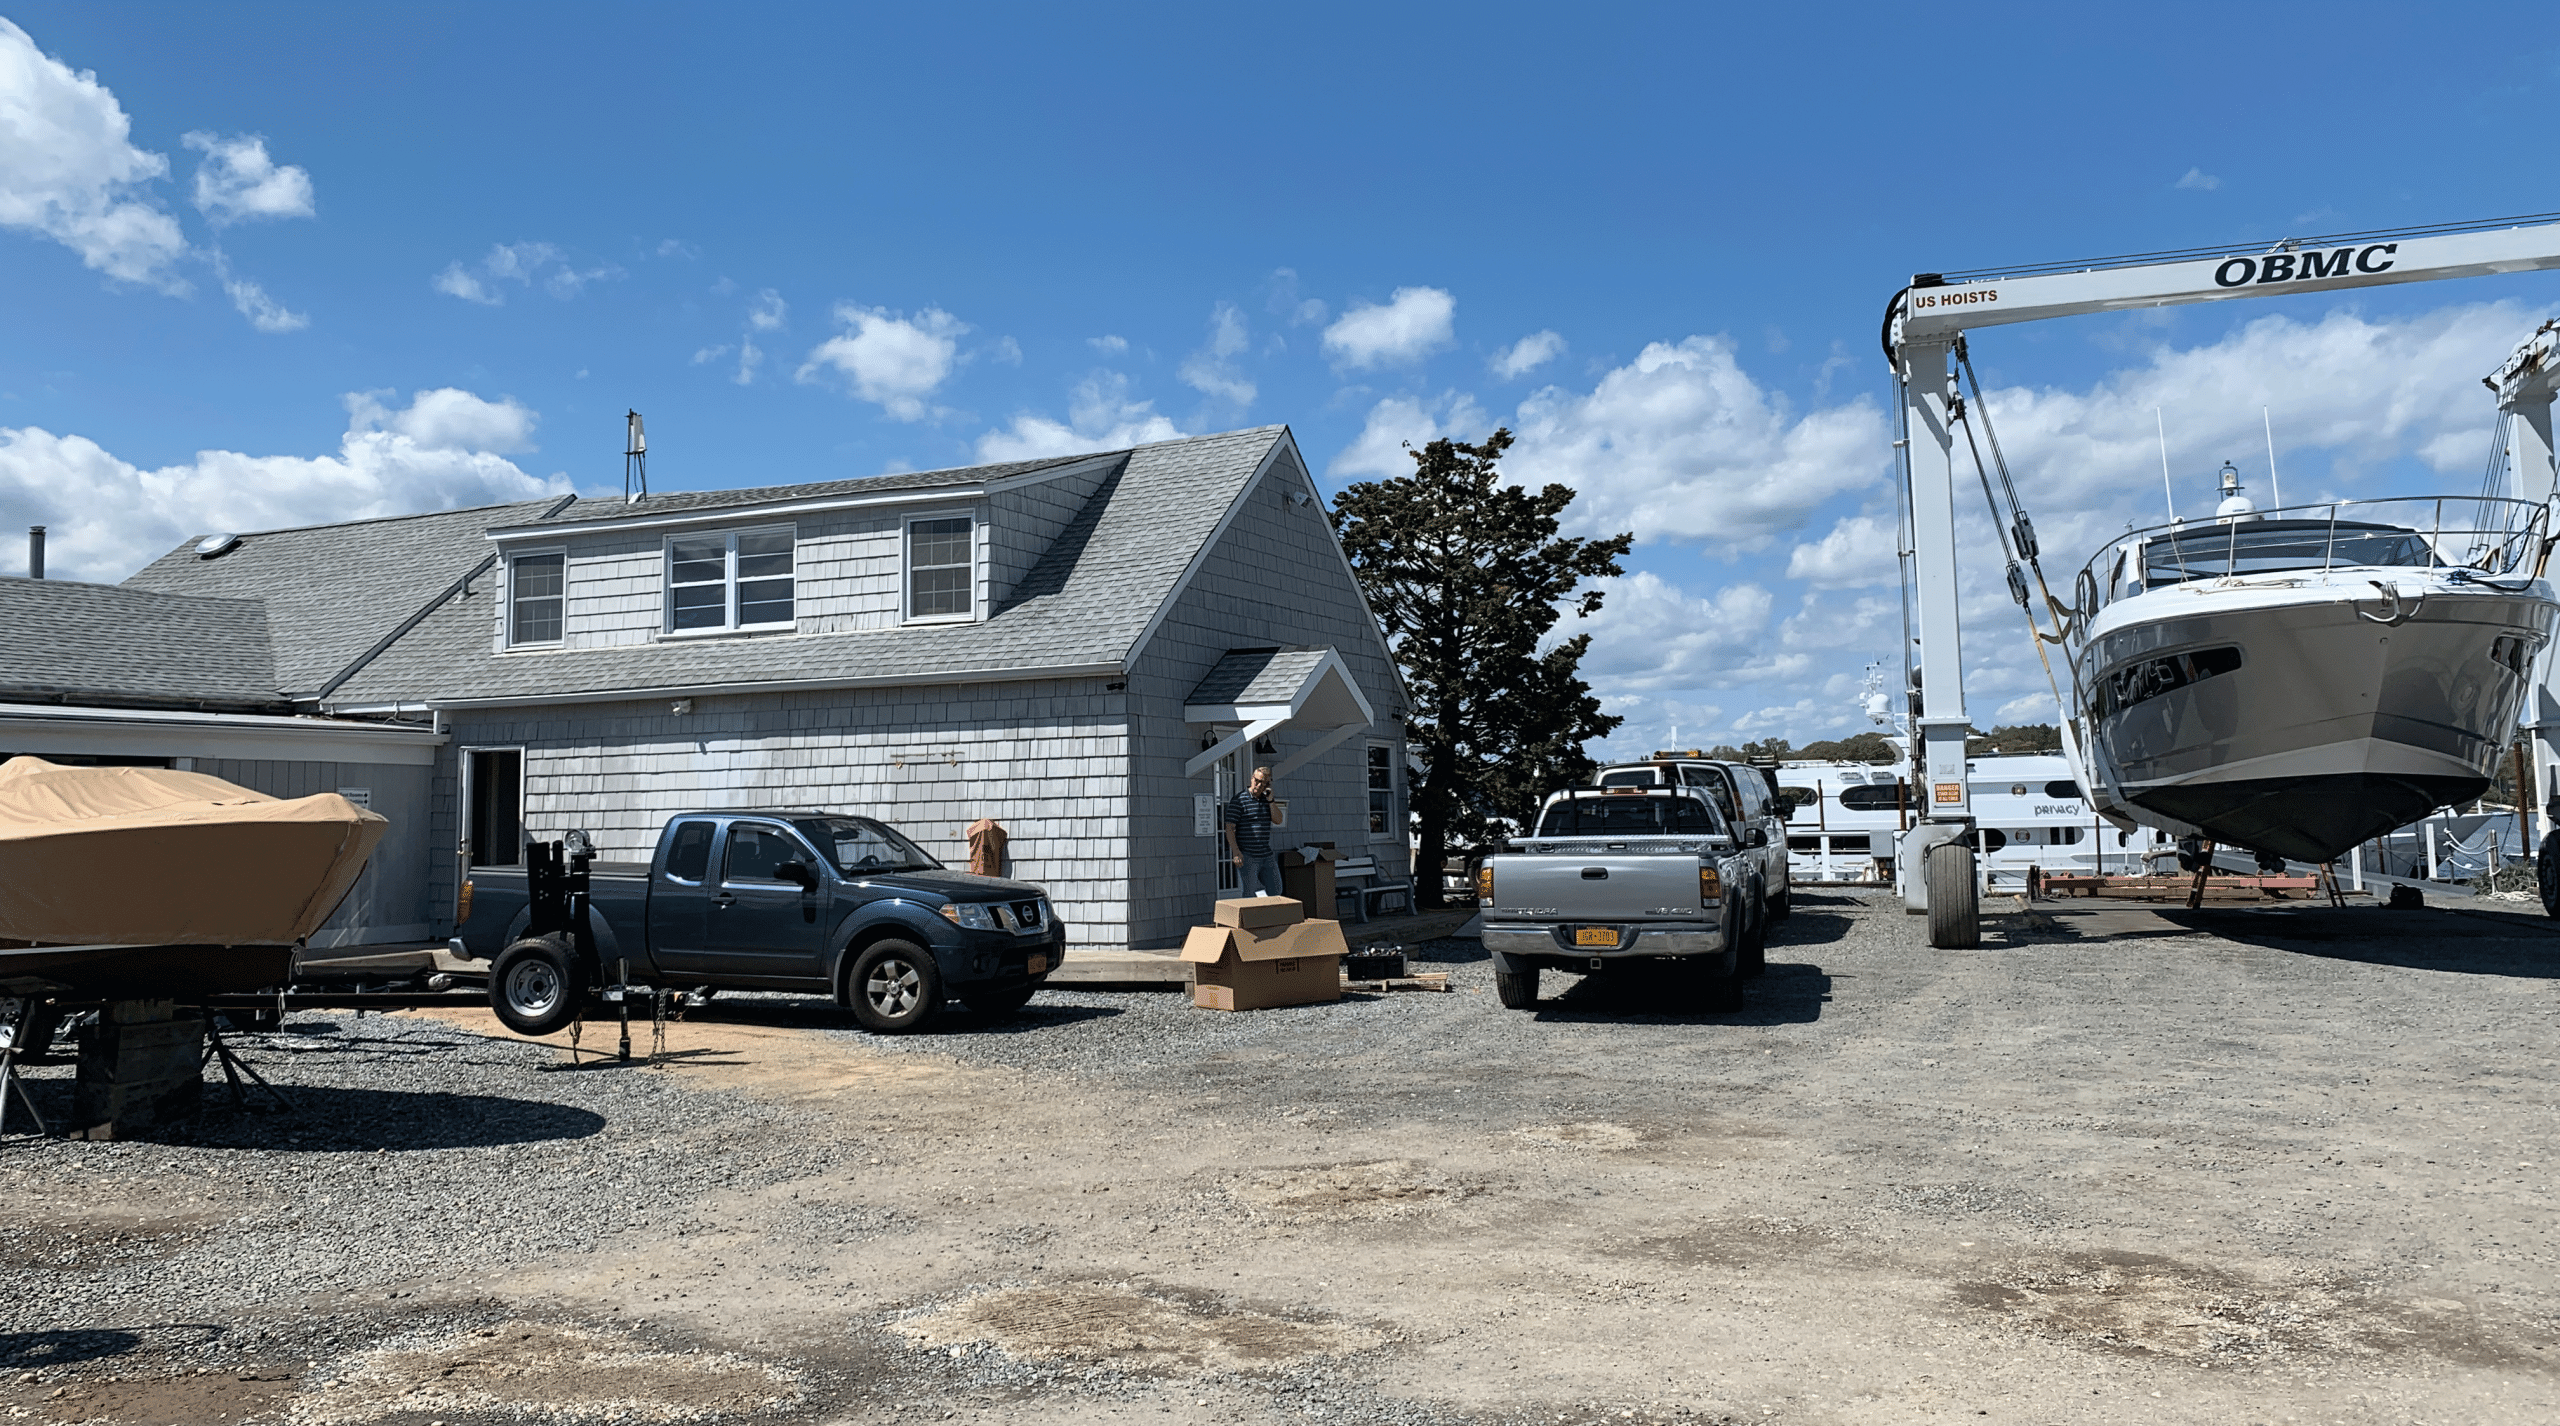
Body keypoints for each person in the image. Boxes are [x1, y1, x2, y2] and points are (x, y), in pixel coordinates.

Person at [1224, 765, 1283, 898]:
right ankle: (1249, 918)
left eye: (1262, 783)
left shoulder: (1266, 800)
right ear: (1251, 778)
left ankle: (1270, 918)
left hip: (1266, 854)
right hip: (1248, 855)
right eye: (1256, 780)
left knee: (1276, 889)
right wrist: (1236, 851)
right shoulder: (1239, 800)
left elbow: (1278, 820)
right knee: (1250, 893)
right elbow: (1229, 828)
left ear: (1267, 784)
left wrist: (1271, 800)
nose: (1257, 785)